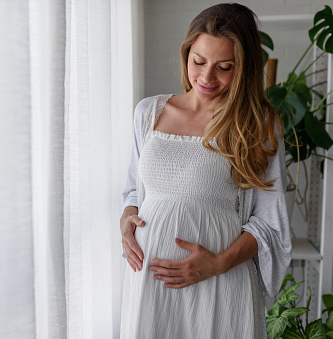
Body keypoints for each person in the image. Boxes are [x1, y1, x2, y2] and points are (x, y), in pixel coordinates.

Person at [119, 3, 292, 338]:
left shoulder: (257, 126)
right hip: (150, 286)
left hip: (220, 284)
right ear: (187, 54)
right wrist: (127, 219)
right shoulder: (148, 113)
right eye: (198, 61)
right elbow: (133, 191)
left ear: (243, 68)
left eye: (224, 67)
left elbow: (270, 224)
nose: (206, 77)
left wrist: (218, 264)